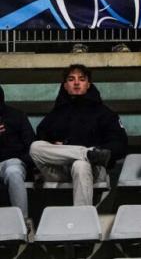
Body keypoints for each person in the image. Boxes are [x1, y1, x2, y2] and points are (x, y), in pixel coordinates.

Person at [29, 64, 127, 206]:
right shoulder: (55, 114)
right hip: (60, 168)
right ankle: (87, 153)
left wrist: (70, 146)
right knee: (35, 147)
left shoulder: (104, 113)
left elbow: (120, 145)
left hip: (92, 167)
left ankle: (82, 222)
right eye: (71, 79)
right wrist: (60, 149)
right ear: (65, 85)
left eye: (81, 79)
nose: (76, 83)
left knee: (80, 165)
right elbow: (42, 142)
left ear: (88, 84)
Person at [0, 84, 35, 226]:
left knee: (13, 171)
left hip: (13, 161)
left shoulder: (16, 116)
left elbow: (31, 145)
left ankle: (22, 222)